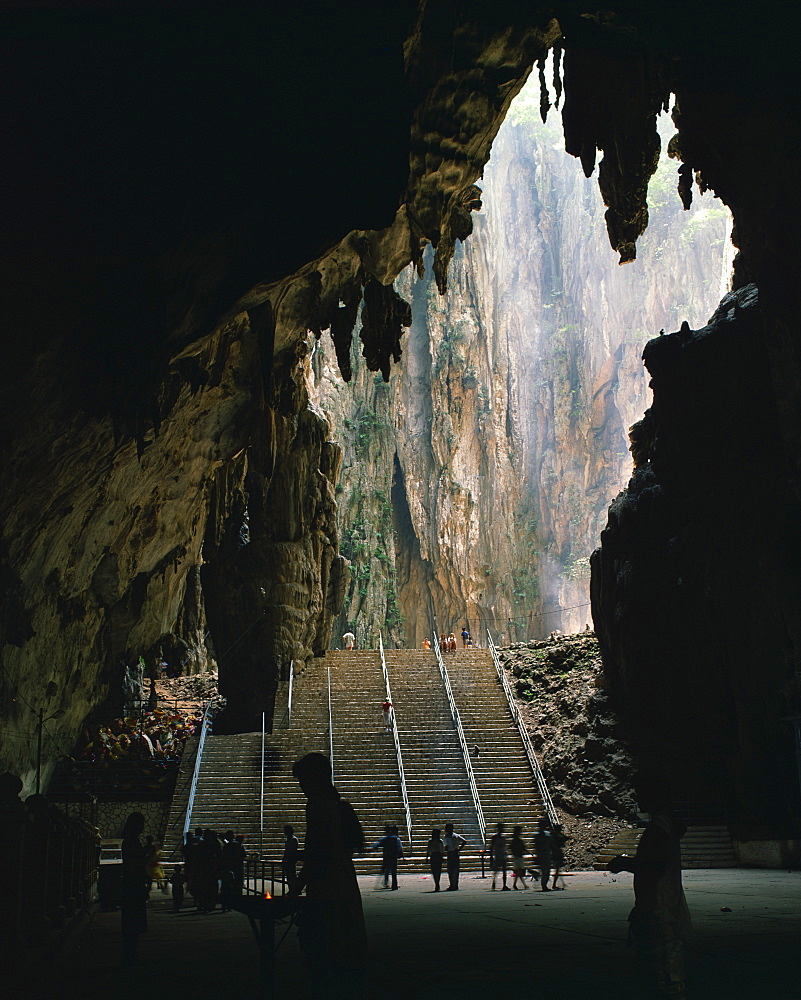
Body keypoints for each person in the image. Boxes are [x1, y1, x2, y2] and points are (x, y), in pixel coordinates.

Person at [290, 752, 367, 999]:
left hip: (327, 883)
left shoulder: (318, 804)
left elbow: (319, 849)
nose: (302, 787)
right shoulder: (336, 802)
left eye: (303, 781)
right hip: (342, 878)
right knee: (345, 938)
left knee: (327, 943)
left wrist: (296, 885)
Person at [608, 782, 691, 999]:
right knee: (666, 970)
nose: (638, 797)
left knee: (663, 972)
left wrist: (624, 864)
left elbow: (653, 867)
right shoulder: (666, 826)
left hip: (658, 908)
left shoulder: (658, 830)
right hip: (662, 906)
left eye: (642, 792)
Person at [120, 812, 148, 964]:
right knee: (133, 921)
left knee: (132, 922)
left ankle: (131, 952)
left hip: (132, 885)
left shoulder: (130, 841)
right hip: (133, 886)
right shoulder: (131, 842)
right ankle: (130, 953)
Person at [371, 824, 404, 889]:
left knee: (386, 870)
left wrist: (372, 848)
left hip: (387, 856)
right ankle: (394, 885)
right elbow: (399, 848)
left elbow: (378, 844)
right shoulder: (395, 839)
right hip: (393, 856)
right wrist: (401, 855)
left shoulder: (385, 839)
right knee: (394, 872)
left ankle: (386, 882)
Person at [443, 823, 467, 890]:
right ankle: (455, 884)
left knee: (451, 870)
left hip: (450, 853)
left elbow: (446, 846)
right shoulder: (456, 836)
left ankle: (452, 884)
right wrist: (459, 849)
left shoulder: (446, 837)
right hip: (455, 852)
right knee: (455, 870)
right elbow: (464, 841)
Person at [489, 822, 510, 890]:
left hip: (501, 854)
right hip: (499, 855)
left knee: (500, 871)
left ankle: (500, 884)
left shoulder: (500, 837)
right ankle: (496, 883)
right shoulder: (498, 837)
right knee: (499, 870)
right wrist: (491, 855)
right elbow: (492, 847)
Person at [534, 819, 552, 891]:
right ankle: (544, 885)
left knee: (543, 870)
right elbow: (550, 844)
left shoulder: (537, 835)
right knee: (546, 870)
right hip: (545, 853)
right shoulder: (547, 835)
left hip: (541, 853)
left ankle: (543, 884)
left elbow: (536, 845)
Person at [282, 824, 300, 892]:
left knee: (291, 875)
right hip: (289, 859)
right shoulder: (290, 839)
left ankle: (294, 889)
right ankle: (292, 889)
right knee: (290, 875)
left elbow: (290, 851)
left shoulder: (293, 840)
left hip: (291, 860)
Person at [551, 823, 568, 889]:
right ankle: (554, 884)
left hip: (555, 853)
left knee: (558, 870)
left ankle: (559, 883)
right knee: (557, 870)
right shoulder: (557, 836)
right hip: (557, 854)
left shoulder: (553, 836)